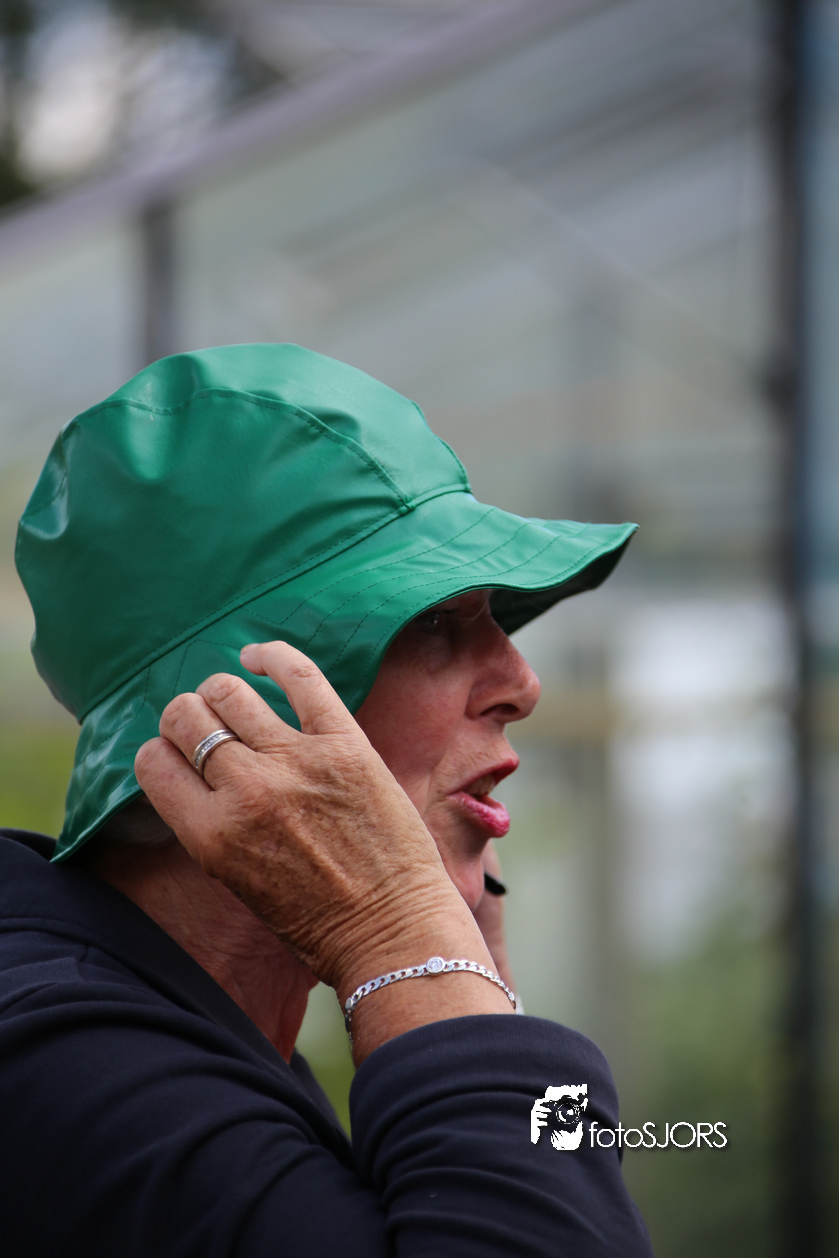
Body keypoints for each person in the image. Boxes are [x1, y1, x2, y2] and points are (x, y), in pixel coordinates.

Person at [3, 343, 652, 1256]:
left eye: (493, 620)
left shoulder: (190, 1031)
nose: (520, 682)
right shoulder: (64, 1066)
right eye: (433, 620)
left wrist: (463, 1013)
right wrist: (404, 942)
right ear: (233, 709)